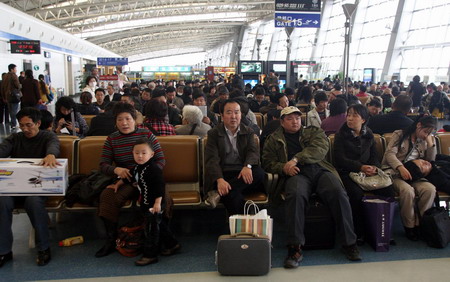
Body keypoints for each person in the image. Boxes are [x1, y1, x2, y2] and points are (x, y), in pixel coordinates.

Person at [262, 106, 361, 268]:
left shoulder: (313, 131)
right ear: (282, 122)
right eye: (290, 119)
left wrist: (295, 159)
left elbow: (320, 149)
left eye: (297, 118)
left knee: (338, 192)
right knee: (295, 195)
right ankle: (295, 247)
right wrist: (283, 167)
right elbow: (267, 162)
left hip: (319, 170)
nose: (295, 122)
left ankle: (349, 243)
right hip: (296, 174)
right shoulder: (273, 139)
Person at [95, 102, 165, 258]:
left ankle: (158, 240)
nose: (124, 123)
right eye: (120, 119)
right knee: (107, 196)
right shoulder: (112, 139)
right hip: (126, 179)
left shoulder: (146, 135)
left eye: (127, 118)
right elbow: (103, 164)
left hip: (148, 179)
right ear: (115, 122)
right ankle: (111, 239)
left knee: (162, 200)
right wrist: (116, 169)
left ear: (135, 120)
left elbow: (160, 160)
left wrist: (146, 176)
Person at [0, 107, 60, 267]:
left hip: (37, 186)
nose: (25, 129)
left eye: (29, 125)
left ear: (38, 123)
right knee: (2, 202)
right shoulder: (15, 138)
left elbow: (53, 147)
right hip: (15, 185)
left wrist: (51, 155)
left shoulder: (48, 136)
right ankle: (4, 251)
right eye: (22, 125)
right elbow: (3, 150)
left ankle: (44, 248)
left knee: (33, 202)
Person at [107, 138, 179, 266]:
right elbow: (129, 178)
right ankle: (172, 244)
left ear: (151, 154)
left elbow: (160, 187)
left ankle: (150, 255)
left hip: (155, 204)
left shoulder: (154, 169)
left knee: (152, 229)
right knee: (159, 224)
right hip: (146, 203)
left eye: (144, 153)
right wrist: (118, 184)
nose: (140, 156)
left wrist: (157, 203)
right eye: (137, 153)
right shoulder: (137, 168)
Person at [333, 104, 395, 243]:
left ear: (364, 119)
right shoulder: (341, 135)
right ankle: (359, 231)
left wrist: (373, 168)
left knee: (388, 190)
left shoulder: (369, 134)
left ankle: (382, 230)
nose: (350, 118)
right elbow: (340, 159)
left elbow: (374, 155)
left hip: (368, 173)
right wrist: (360, 167)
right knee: (355, 194)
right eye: (348, 115)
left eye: (355, 115)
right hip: (348, 172)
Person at [381, 115, 437, 241]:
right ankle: (409, 226)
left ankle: (422, 223)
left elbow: (430, 161)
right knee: (407, 191)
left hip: (415, 175)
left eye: (430, 133)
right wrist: (400, 167)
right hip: (395, 172)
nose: (426, 135)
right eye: (425, 131)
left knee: (430, 189)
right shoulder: (400, 135)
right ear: (418, 125)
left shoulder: (425, 140)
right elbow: (390, 154)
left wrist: (430, 144)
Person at [204, 99, 265, 214]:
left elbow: (253, 152)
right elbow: (212, 159)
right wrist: (220, 180)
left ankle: (218, 193)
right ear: (221, 115)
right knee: (232, 195)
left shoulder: (248, 131)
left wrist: (247, 166)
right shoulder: (214, 133)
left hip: (242, 172)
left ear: (241, 115)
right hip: (223, 172)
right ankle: (248, 221)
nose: (233, 116)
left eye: (237, 112)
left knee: (259, 173)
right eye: (229, 112)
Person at [1, 64, 20, 129]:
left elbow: (2, 87)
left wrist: (4, 96)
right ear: (12, 69)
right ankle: (14, 124)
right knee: (14, 110)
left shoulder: (5, 76)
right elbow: (17, 85)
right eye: (15, 69)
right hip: (14, 96)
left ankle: (12, 123)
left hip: (7, 96)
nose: (16, 70)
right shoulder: (13, 75)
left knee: (11, 110)